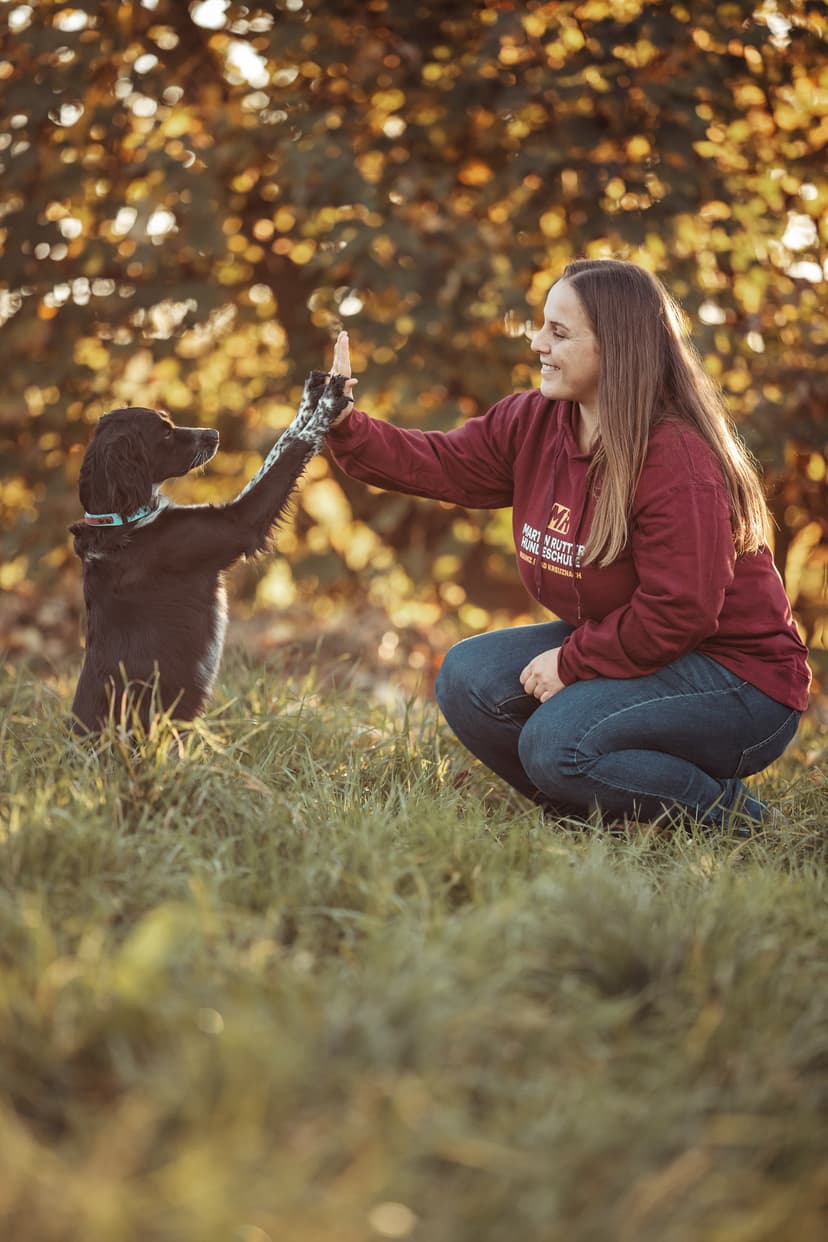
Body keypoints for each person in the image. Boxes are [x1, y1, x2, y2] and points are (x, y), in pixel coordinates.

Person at [325, 258, 811, 831]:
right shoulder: (538, 419)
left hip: (737, 680)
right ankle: (590, 819)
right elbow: (443, 462)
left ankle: (744, 823)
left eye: (559, 332)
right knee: (467, 676)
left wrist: (574, 663)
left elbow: (681, 611)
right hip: (639, 647)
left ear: (618, 348)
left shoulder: (676, 458)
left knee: (555, 745)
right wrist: (343, 423)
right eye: (541, 326)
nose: (536, 344)